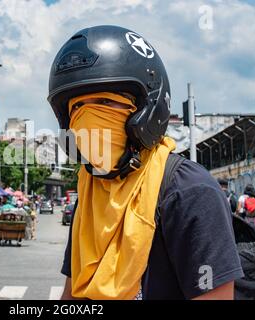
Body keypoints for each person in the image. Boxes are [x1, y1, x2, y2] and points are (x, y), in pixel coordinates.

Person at [48, 25, 243, 300]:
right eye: (77, 108)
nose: (89, 119)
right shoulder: (89, 193)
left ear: (146, 110)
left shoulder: (189, 192)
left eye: (104, 101)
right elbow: (72, 293)